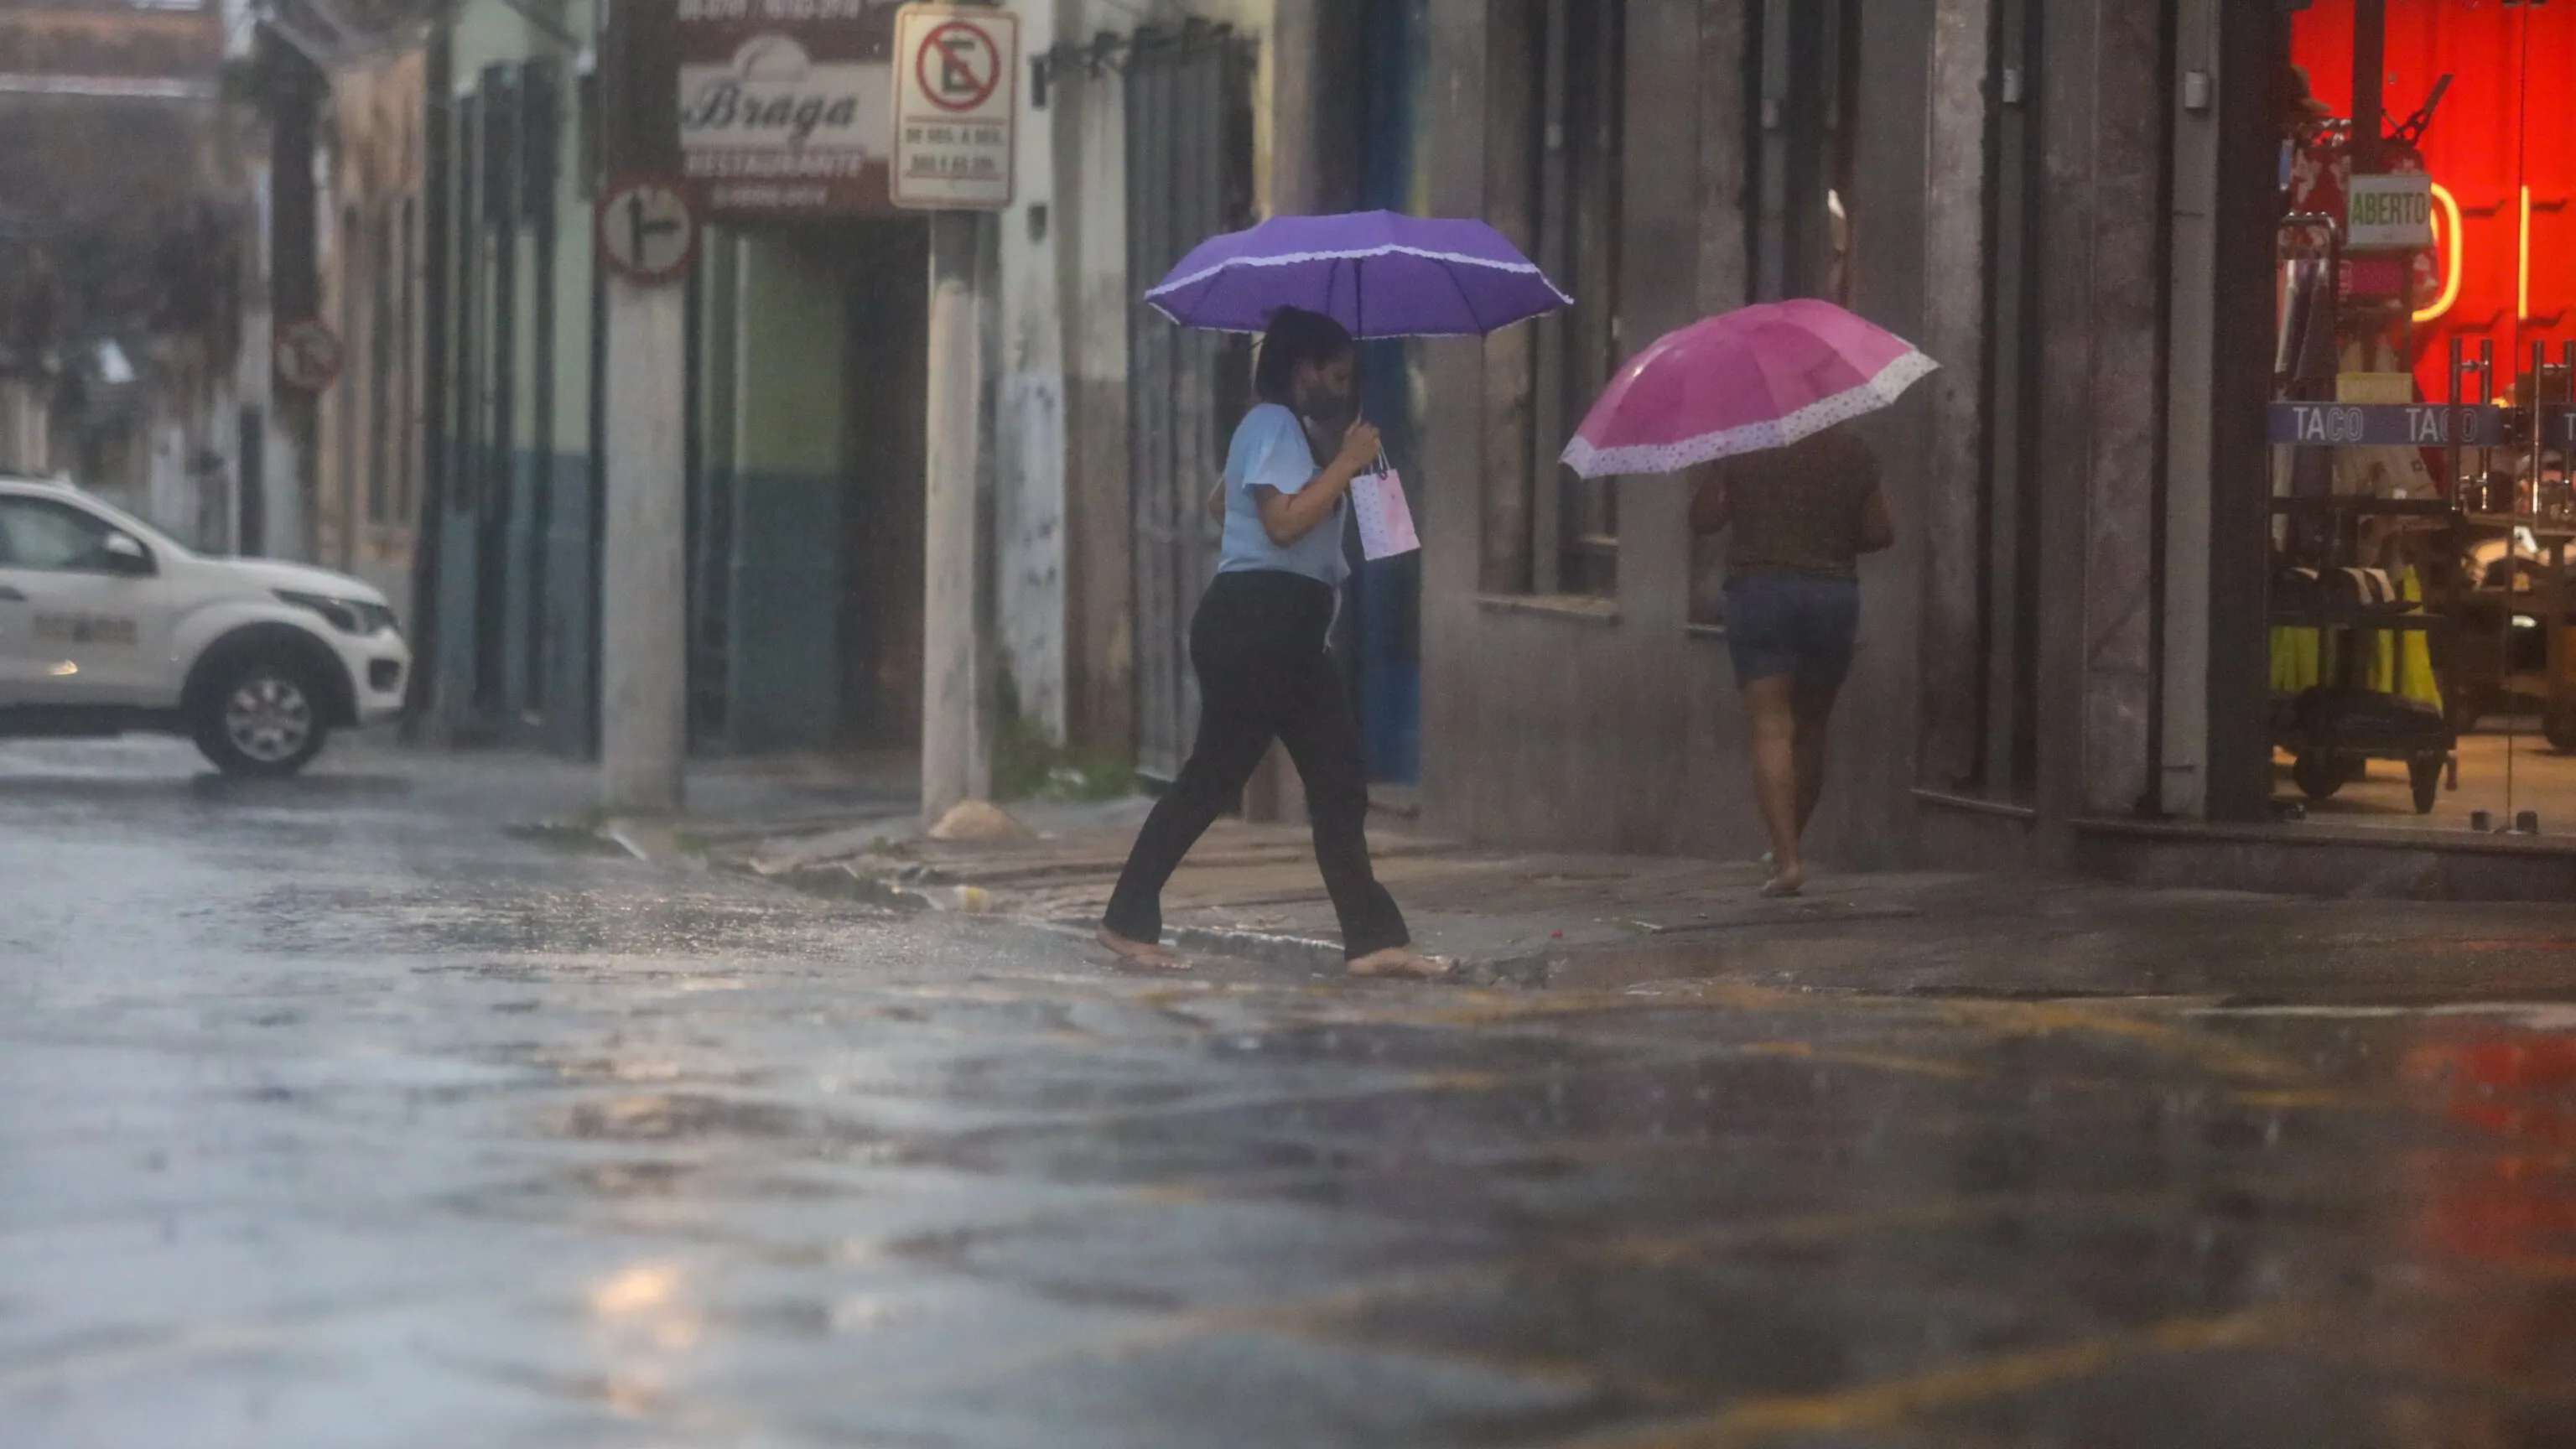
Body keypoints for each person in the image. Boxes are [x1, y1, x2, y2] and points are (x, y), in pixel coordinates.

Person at [1098, 307, 1445, 979]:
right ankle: (1125, 918)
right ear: (1304, 369)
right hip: (1256, 628)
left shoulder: (1291, 437)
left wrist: (1343, 467)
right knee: (1211, 779)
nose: (1343, 388)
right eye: (1336, 375)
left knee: (1340, 786)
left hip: (1293, 636)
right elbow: (1282, 525)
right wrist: (1343, 465)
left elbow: (1221, 504)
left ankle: (1375, 941)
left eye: (1351, 378)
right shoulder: (1273, 422)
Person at [1690, 423, 1894, 898]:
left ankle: (1787, 861)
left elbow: (1703, 521)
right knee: (1812, 727)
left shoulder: (1741, 444)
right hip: (1831, 594)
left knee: (1771, 726)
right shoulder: (1852, 448)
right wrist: (1827, 534)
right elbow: (1881, 531)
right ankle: (1786, 849)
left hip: (1760, 593)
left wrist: (1717, 469)